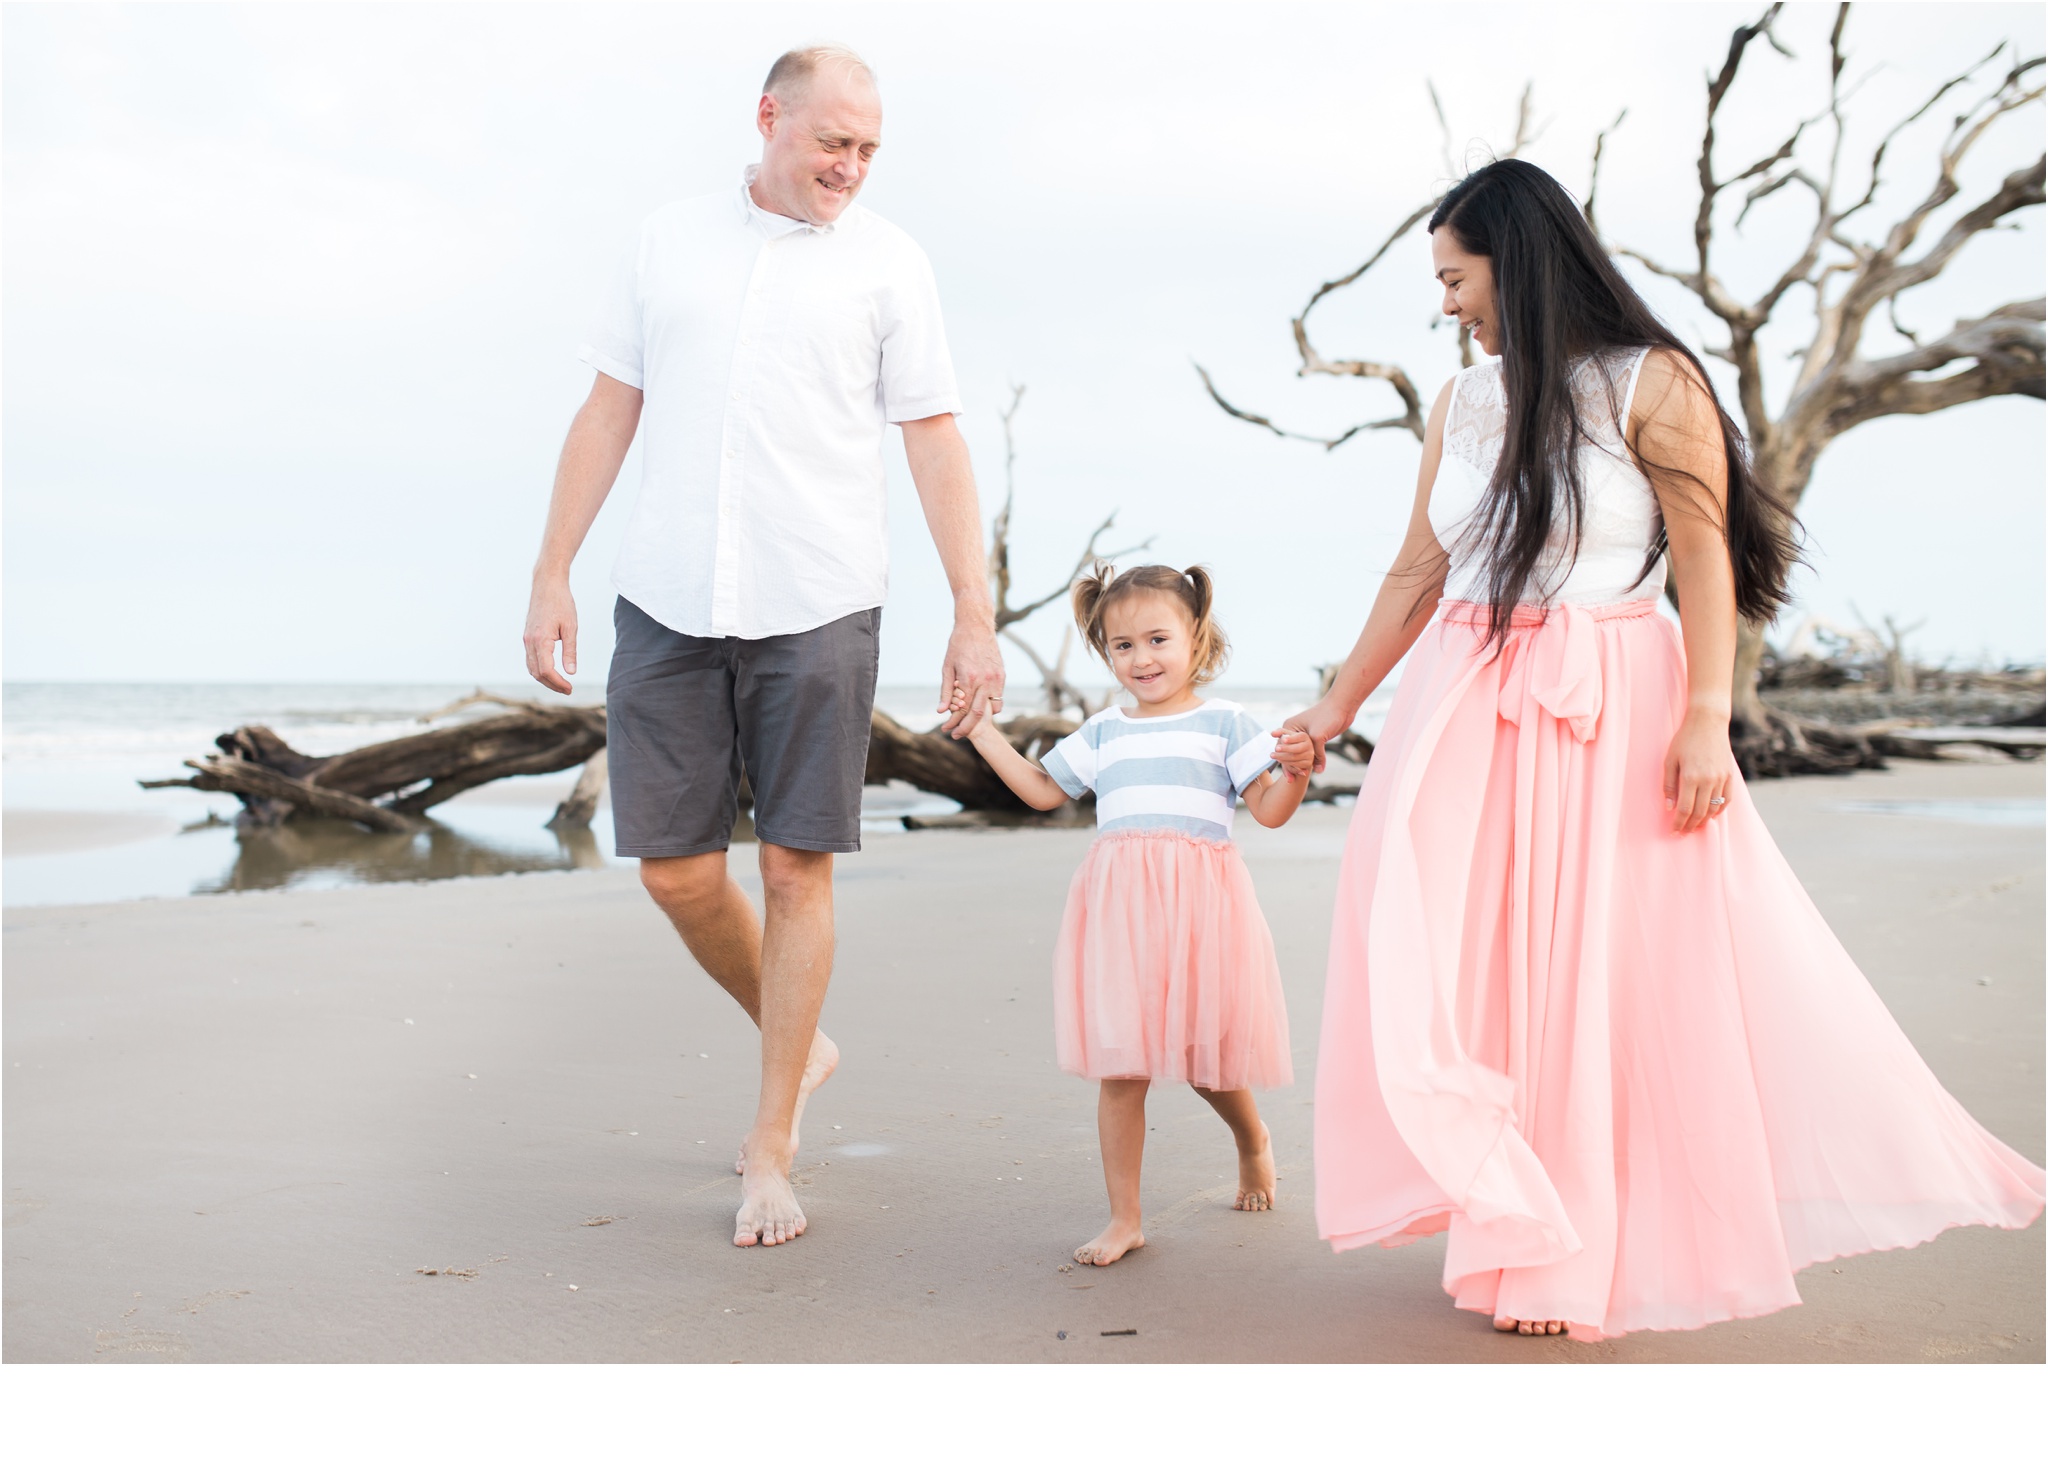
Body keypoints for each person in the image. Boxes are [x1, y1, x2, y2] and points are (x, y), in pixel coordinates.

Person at [1288, 158, 2045, 1340]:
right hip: (1464, 694)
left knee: (1591, 966)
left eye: (1455, 277)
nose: (1444, 305)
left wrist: (1706, 719)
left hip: (1610, 695)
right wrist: (1329, 709)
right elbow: (1416, 569)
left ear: (1517, 261)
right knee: (1453, 954)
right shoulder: (1465, 401)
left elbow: (1703, 556)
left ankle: (1566, 1244)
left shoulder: (1654, 380)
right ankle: (1505, 1206)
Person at [522, 45, 1006, 1249]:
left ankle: (772, 1142)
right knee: (677, 872)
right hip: (668, 597)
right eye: (830, 142)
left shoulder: (892, 265)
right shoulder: (666, 240)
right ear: (768, 119)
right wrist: (550, 570)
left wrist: (972, 607)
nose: (849, 167)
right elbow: (607, 410)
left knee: (797, 870)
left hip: (820, 596)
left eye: (867, 150)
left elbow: (935, 438)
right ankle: (802, 1035)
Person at [962, 563, 1316, 1265]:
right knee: (1122, 1069)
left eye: (1158, 639)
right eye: (1123, 646)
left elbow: (1270, 811)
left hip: (1202, 918)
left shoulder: (1225, 724)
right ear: (1105, 652)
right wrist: (981, 730)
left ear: (1195, 636)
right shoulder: (1103, 732)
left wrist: (1300, 769)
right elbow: (1040, 790)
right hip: (1122, 921)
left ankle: (1252, 1141)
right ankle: (1125, 1218)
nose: (1142, 658)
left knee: (1207, 1061)